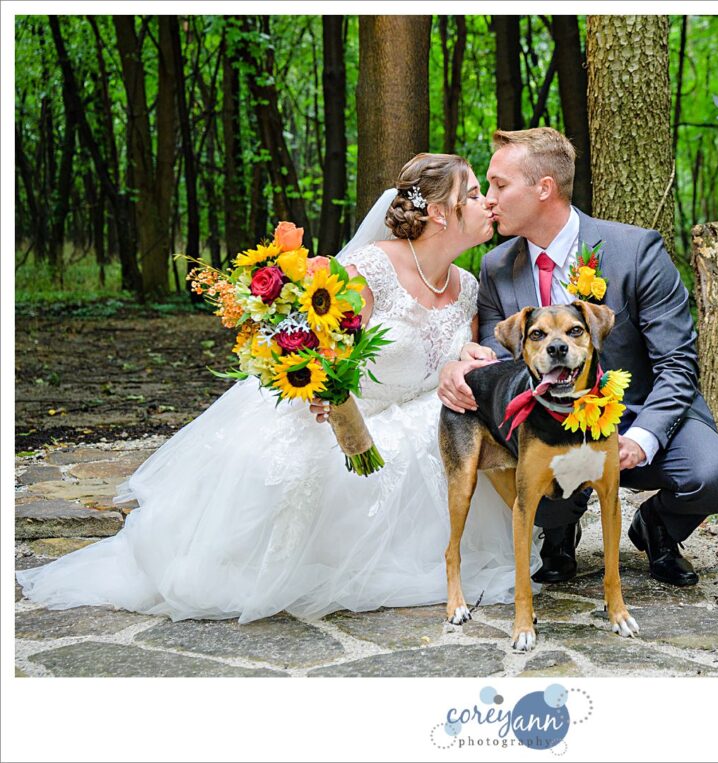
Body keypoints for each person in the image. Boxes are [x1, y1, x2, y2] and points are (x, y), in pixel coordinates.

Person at [17, 153, 539, 624]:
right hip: (342, 415)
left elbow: (450, 361)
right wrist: (327, 393)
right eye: (473, 194)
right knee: (303, 479)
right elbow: (317, 354)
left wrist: (467, 359)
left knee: (441, 447)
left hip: (417, 415)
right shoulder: (370, 270)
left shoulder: (468, 286)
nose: (487, 203)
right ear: (442, 212)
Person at [438, 127, 718, 587]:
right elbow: (499, 361)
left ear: (544, 189)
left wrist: (640, 438)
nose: (490, 199)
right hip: (549, 422)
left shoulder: (637, 250)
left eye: (500, 185)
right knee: (532, 477)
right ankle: (558, 531)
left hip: (640, 410)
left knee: (715, 477)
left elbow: (677, 364)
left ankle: (657, 526)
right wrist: (462, 361)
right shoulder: (496, 267)